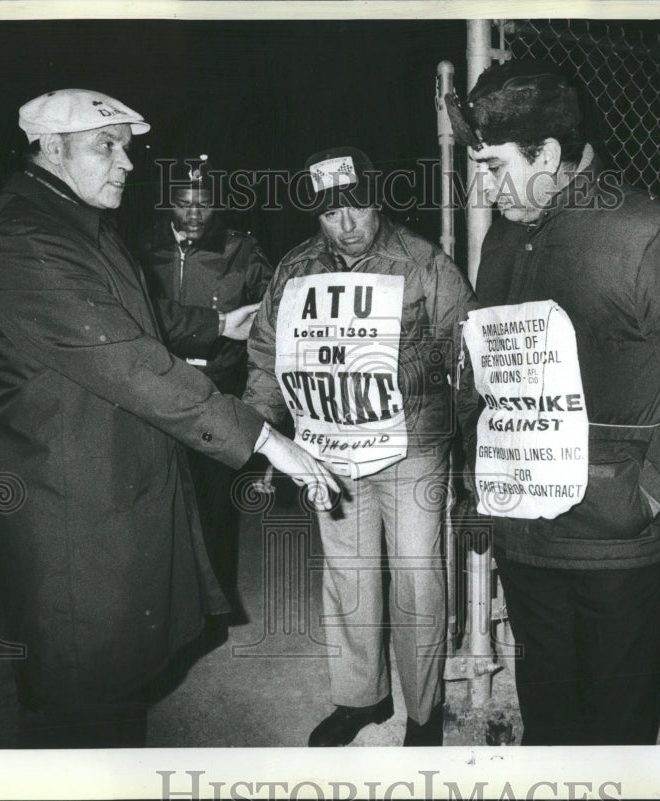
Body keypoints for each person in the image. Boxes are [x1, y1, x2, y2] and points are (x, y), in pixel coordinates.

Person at [0, 89, 337, 748]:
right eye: (107, 146)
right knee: (87, 711)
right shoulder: (24, 243)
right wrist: (263, 435)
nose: (128, 163)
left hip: (103, 504)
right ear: (51, 148)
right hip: (74, 526)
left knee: (112, 699)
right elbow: (132, 360)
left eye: (126, 147)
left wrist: (217, 322)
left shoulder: (71, 223)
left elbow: (138, 313)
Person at [449, 60, 660, 745]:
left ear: (551, 156)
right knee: (549, 715)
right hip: (526, 531)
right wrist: (483, 476)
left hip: (617, 546)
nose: (483, 185)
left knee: (614, 731)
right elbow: (490, 362)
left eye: (495, 166)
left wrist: (648, 495)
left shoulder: (655, 235)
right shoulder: (507, 230)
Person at [243, 146, 476, 746]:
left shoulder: (423, 261)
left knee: (418, 575)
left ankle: (425, 713)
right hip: (332, 446)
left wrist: (467, 447)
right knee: (348, 573)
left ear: (377, 199)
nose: (346, 224)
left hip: (413, 446)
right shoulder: (295, 270)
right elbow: (268, 359)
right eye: (329, 213)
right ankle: (362, 698)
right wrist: (262, 440)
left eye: (357, 206)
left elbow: (470, 354)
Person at [140, 156, 275, 611]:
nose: (194, 214)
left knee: (214, 504)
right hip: (156, 390)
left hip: (219, 390)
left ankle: (215, 606)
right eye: (183, 203)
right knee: (161, 502)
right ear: (167, 205)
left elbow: (271, 313)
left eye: (203, 204)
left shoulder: (242, 250)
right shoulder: (140, 250)